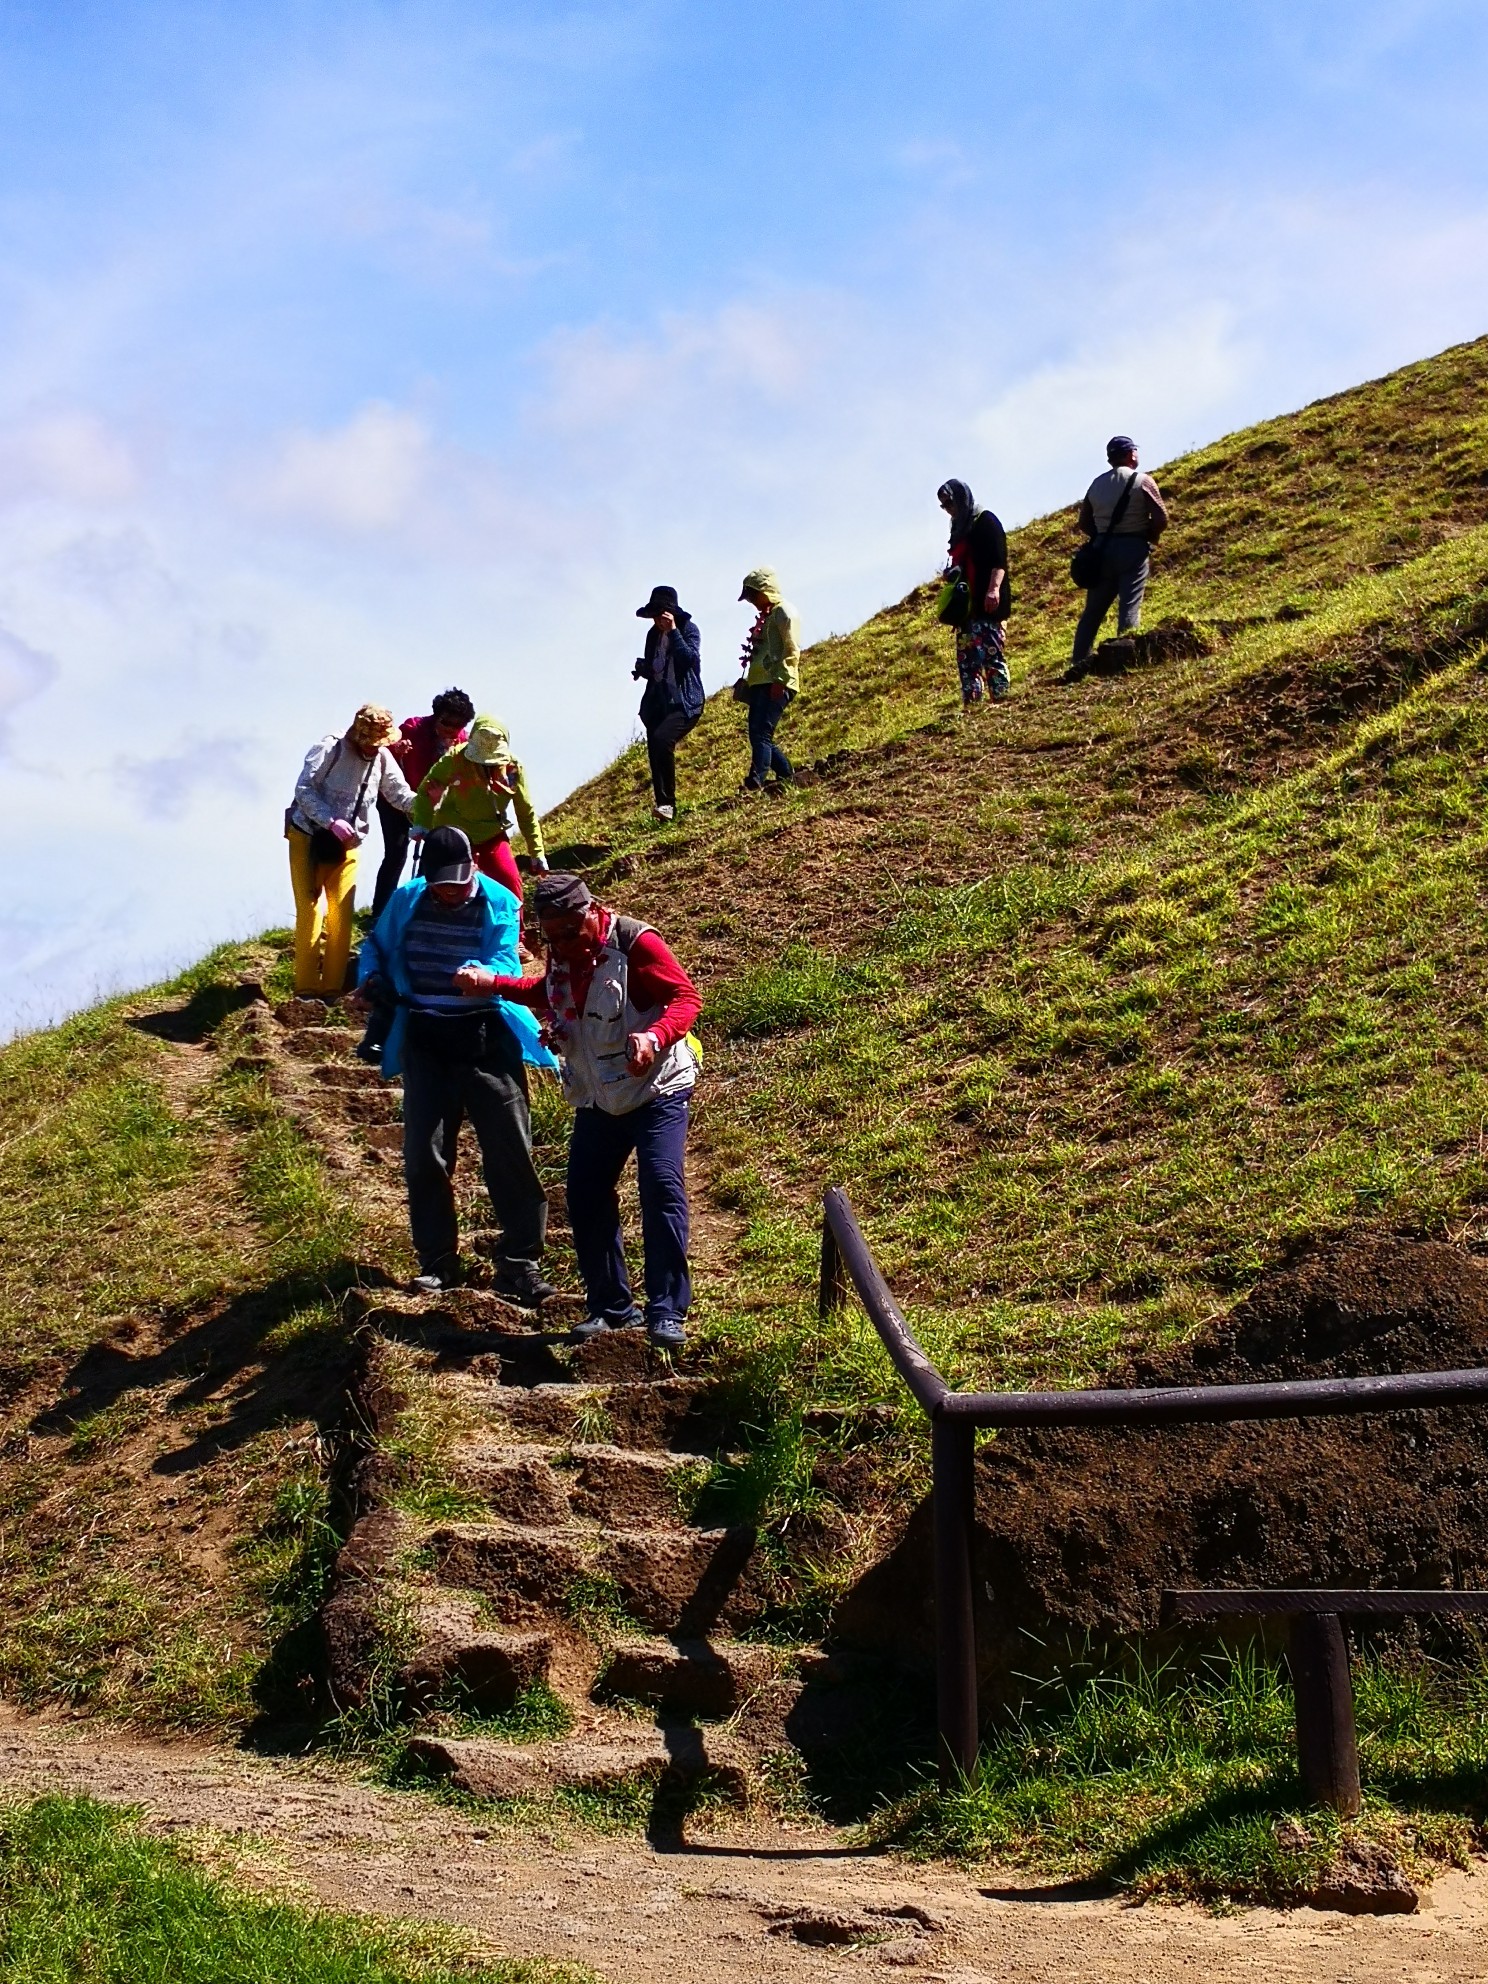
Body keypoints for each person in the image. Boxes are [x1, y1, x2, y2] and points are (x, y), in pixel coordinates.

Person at [462, 872, 701, 1353]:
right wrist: (493, 984)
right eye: (554, 936)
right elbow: (544, 992)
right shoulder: (562, 955)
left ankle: (667, 1309)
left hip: (657, 1088)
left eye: (574, 930)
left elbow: (685, 998)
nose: (567, 943)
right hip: (598, 1097)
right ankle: (612, 1308)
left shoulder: (636, 942)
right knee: (586, 1194)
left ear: (592, 911)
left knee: (660, 1184)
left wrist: (654, 1037)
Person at [353, 825, 558, 1303]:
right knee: (424, 1155)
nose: (452, 892)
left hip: (486, 1037)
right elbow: (376, 947)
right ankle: (438, 1263)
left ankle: (520, 1263)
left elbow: (506, 960)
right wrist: (372, 979)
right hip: (426, 1038)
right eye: (442, 885)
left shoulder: (499, 901)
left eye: (460, 883)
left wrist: (482, 976)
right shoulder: (407, 900)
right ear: (427, 879)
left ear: (474, 870)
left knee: (510, 1151)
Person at [286, 704, 416, 998]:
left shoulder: (381, 757)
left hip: (348, 845)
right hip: (308, 837)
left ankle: (332, 990)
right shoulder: (329, 749)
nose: (374, 749)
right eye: (370, 743)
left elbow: (399, 794)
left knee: (341, 915)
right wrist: (330, 821)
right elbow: (304, 789)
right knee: (310, 910)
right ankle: (306, 990)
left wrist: (429, 802)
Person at [412, 715, 549, 900]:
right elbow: (425, 792)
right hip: (453, 835)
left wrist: (537, 852)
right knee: (437, 886)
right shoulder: (454, 759)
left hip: (491, 835)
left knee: (510, 883)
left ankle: (517, 929)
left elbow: (525, 811)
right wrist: (422, 823)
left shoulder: (513, 769)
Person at [1067, 436, 1170, 679]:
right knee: (1130, 604)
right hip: (1133, 548)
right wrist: (1149, 534)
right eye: (1134, 450)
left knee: (1092, 612)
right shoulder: (1143, 481)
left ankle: (1078, 662)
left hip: (1102, 552)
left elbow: (1084, 522)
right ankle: (1125, 656)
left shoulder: (1096, 484)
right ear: (1129, 454)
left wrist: (1101, 536)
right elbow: (1162, 517)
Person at [371, 688, 475, 921]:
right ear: (436, 715)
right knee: (396, 854)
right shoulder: (413, 728)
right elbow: (383, 756)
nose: (450, 730)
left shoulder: (463, 742)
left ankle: (420, 906)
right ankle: (380, 913)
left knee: (432, 855)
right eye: (446, 722)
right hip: (395, 803)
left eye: (457, 725)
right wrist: (396, 752)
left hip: (434, 805)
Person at [936, 480, 1012, 706]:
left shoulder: (986, 521)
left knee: (991, 654)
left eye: (950, 502)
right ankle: (973, 707)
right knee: (967, 660)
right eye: (944, 506)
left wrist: (994, 590)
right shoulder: (958, 529)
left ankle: (1000, 701)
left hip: (987, 601)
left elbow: (999, 561)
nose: (948, 508)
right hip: (966, 606)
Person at [633, 584, 704, 822]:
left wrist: (673, 631)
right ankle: (663, 806)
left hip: (685, 702)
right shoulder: (652, 635)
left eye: (659, 615)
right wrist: (644, 669)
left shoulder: (688, 630)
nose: (656, 620)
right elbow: (656, 667)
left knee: (664, 739)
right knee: (654, 746)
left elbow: (689, 661)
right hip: (659, 703)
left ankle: (669, 804)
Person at [735, 567, 800, 792]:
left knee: (762, 732)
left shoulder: (784, 613)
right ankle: (787, 775)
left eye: (753, 595)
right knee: (759, 734)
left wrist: (780, 680)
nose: (752, 602)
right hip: (760, 683)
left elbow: (791, 650)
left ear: (765, 590)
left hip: (777, 682)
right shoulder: (768, 615)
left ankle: (756, 780)